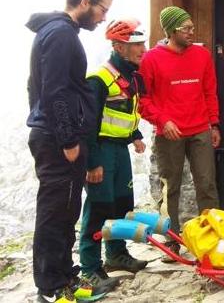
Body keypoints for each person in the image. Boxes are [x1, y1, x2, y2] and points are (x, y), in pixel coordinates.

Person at [26, 0, 117, 303]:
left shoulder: (56, 32)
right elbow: (55, 92)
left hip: (54, 134)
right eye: (102, 9)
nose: (104, 16)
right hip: (58, 141)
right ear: (85, 2)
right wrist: (66, 138)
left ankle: (65, 278)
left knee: (65, 212)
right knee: (55, 213)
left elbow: (34, 88)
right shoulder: (61, 35)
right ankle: (51, 289)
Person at [138, 6, 221, 257]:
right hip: (168, 133)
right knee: (169, 186)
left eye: (192, 27)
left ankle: (213, 236)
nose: (191, 32)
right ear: (171, 30)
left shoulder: (202, 55)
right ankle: (171, 238)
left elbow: (209, 91)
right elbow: (143, 100)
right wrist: (163, 121)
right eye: (186, 28)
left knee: (207, 184)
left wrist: (214, 124)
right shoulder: (150, 59)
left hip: (200, 130)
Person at [78, 18, 149, 287]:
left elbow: (121, 113)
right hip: (102, 151)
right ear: (119, 47)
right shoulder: (99, 79)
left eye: (143, 42)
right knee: (98, 208)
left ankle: (117, 254)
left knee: (121, 204)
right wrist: (93, 162)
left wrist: (136, 135)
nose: (143, 49)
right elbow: (88, 124)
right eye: (136, 44)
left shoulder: (128, 75)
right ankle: (90, 267)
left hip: (121, 149)